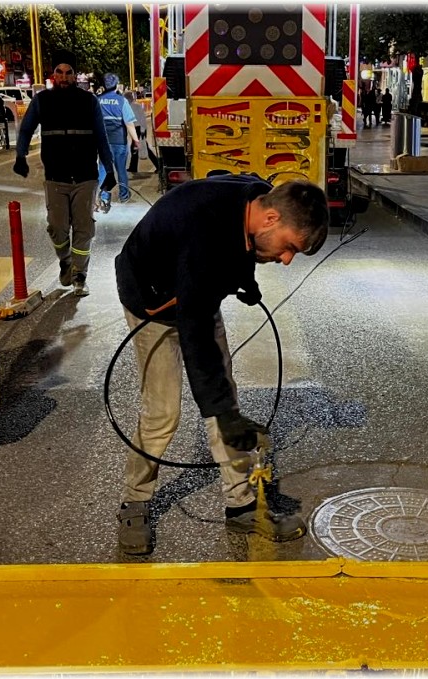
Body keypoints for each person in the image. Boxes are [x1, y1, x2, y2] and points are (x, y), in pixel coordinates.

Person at [112, 174, 330, 556]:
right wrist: (223, 413)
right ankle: (135, 500)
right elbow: (196, 337)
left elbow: (237, 234)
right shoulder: (204, 240)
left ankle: (241, 506)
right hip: (152, 300)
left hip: (197, 291)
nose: (286, 260)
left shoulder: (256, 198)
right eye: (289, 248)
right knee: (164, 411)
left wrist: (244, 279)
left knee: (225, 405)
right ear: (271, 219)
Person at [13, 55, 116, 296]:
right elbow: (26, 129)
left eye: (68, 72)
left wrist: (110, 170)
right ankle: (66, 260)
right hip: (56, 177)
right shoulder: (42, 100)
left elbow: (101, 137)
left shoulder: (89, 101)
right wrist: (20, 156)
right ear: (53, 75)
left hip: (86, 177)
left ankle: (80, 275)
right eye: (59, 72)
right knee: (57, 228)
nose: (64, 77)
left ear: (75, 76)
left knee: (84, 228)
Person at [96, 74, 140, 210]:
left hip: (103, 142)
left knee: (104, 169)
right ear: (116, 85)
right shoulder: (122, 101)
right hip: (119, 142)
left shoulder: (98, 100)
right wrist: (136, 140)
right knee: (121, 170)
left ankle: (104, 197)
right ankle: (124, 195)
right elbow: (129, 123)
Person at [124, 89, 146, 176]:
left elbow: (142, 118)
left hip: (137, 128)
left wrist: (142, 130)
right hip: (135, 128)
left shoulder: (135, 106)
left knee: (135, 147)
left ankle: (133, 167)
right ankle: (133, 166)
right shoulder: (131, 106)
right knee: (135, 147)